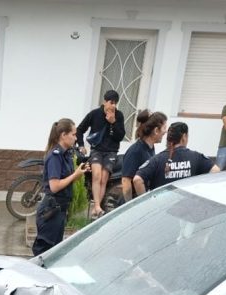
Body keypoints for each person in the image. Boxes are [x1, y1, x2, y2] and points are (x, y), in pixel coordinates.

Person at [32, 119, 90, 257]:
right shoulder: (55, 156)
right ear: (63, 135)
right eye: (74, 134)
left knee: (54, 253)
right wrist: (75, 175)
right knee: (44, 254)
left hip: (59, 210)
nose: (76, 138)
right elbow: (55, 186)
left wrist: (80, 170)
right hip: (51, 210)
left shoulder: (65, 154)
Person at [133, 121, 219, 194]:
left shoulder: (157, 159)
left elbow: (137, 180)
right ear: (184, 137)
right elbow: (216, 171)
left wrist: (147, 203)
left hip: (161, 208)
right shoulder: (196, 157)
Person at [76, 90, 125, 218]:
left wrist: (113, 122)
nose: (113, 106)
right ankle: (97, 206)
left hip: (111, 152)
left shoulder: (119, 116)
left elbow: (120, 136)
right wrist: (81, 145)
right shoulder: (94, 114)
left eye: (116, 103)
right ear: (105, 102)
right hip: (97, 150)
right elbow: (80, 129)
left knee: (104, 178)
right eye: (111, 102)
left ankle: (96, 207)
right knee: (96, 175)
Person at [121, 110, 167, 200]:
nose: (165, 132)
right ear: (156, 130)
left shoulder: (150, 147)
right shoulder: (135, 151)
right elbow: (126, 182)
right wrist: (131, 206)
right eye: (164, 128)